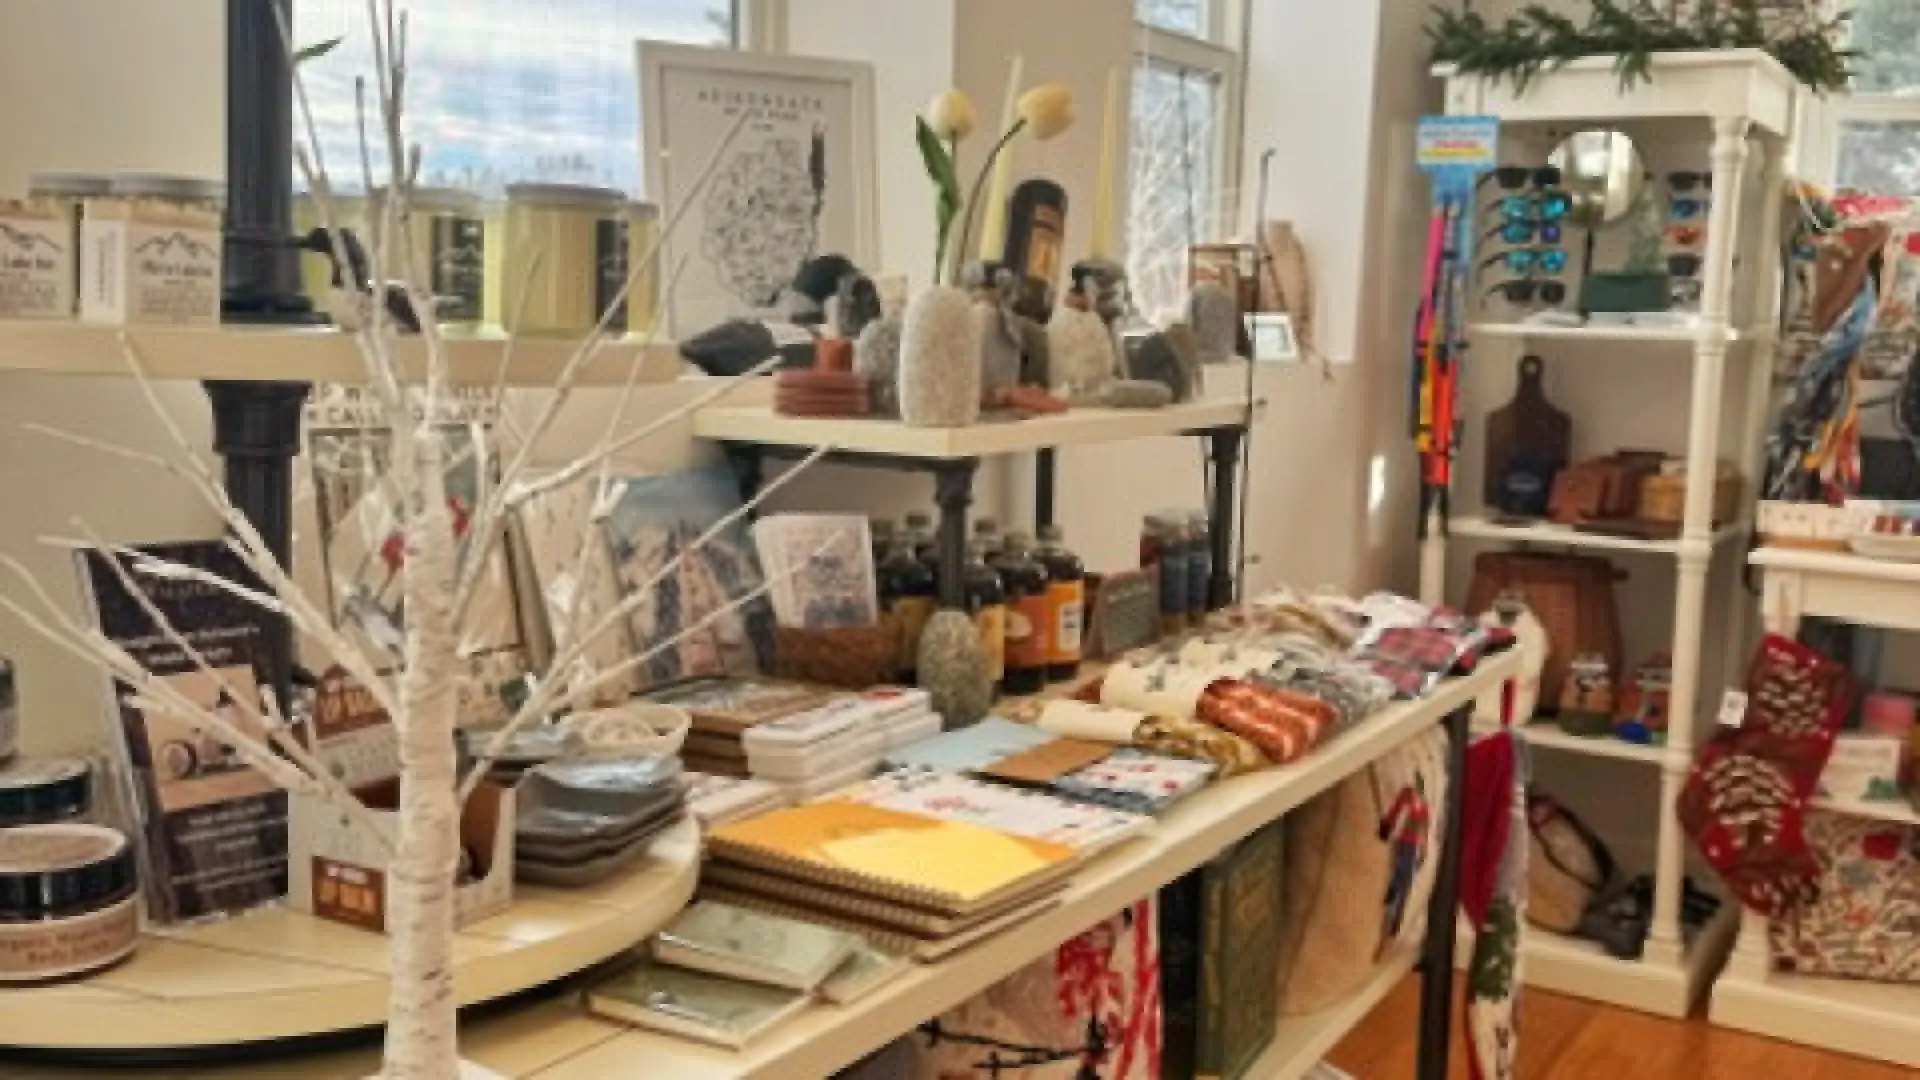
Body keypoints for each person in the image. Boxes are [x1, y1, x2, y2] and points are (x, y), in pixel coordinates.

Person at [1377, 774, 1431, 956]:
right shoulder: (1414, 800)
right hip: (1406, 844)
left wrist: (1387, 826)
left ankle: (1393, 917)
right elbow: (1422, 829)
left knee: (1400, 881)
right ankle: (1393, 921)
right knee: (1402, 883)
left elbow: (1422, 828)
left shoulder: (1413, 799)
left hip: (1405, 843)